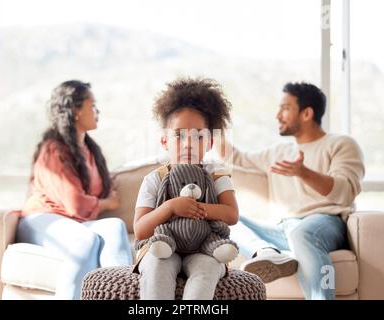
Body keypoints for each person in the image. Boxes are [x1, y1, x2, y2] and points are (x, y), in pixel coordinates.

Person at [220, 82, 365, 300]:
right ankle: (267, 252)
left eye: (285, 108)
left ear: (307, 113)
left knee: (303, 233)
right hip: (282, 230)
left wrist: (303, 172)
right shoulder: (278, 151)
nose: (278, 115)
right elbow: (238, 159)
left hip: (324, 223)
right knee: (226, 218)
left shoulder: (341, 143)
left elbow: (346, 192)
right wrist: (210, 128)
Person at [18, 80, 133, 300]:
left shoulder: (90, 150)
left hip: (75, 224)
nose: (96, 111)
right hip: (42, 218)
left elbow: (86, 201)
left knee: (115, 227)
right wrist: (107, 203)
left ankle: (122, 296)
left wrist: (103, 202)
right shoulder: (54, 149)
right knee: (86, 241)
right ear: (75, 111)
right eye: (92, 105)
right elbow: (76, 204)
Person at [133, 77, 239, 300]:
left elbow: (231, 214)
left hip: (203, 249)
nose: (188, 143)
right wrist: (171, 207)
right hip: (162, 249)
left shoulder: (216, 175)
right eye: (179, 135)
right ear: (165, 141)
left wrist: (196, 208)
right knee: (157, 266)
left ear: (209, 143)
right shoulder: (155, 179)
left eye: (198, 136)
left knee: (207, 269)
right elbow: (141, 230)